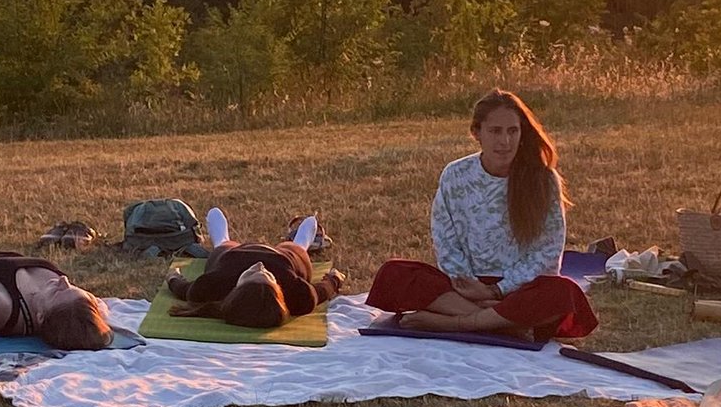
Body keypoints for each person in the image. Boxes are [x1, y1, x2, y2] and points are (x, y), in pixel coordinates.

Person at [365, 91, 597, 340]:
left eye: (512, 131)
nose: (505, 141)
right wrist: (468, 285)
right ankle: (503, 324)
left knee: (563, 293)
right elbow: (445, 239)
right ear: (477, 133)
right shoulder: (456, 174)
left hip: (519, 290)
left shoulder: (544, 179)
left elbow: (547, 253)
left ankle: (458, 323)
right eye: (495, 131)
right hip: (463, 290)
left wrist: (497, 291)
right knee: (394, 273)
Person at [165, 237, 344, 332]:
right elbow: (321, 291)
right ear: (279, 290)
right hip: (285, 257)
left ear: (236, 289)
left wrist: (173, 276)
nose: (260, 265)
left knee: (223, 242)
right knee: (296, 246)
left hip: (232, 254)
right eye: (268, 276)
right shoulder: (298, 294)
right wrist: (334, 279)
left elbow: (183, 288)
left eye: (251, 274)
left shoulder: (213, 284)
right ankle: (304, 235)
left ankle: (222, 235)